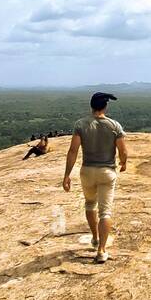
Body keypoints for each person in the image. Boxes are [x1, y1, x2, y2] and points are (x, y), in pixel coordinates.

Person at [63, 92, 127, 264]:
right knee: (105, 212)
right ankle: (101, 250)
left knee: (90, 204)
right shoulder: (114, 126)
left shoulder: (80, 124)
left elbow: (73, 151)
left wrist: (67, 175)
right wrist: (123, 163)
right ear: (105, 107)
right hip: (107, 172)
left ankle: (95, 237)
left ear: (91, 106)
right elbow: (123, 150)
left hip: (87, 171)